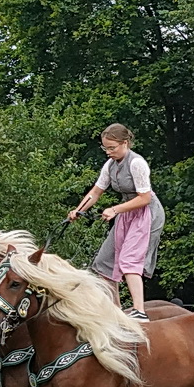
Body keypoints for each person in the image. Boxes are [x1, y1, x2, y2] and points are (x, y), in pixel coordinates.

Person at [69, 123, 164, 319]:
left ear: (125, 143)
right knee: (104, 262)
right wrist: (78, 210)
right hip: (127, 213)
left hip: (146, 213)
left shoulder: (136, 163)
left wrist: (114, 209)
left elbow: (144, 198)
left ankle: (139, 310)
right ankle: (116, 311)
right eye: (106, 148)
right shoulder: (110, 165)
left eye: (112, 148)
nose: (108, 152)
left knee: (129, 260)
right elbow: (95, 192)